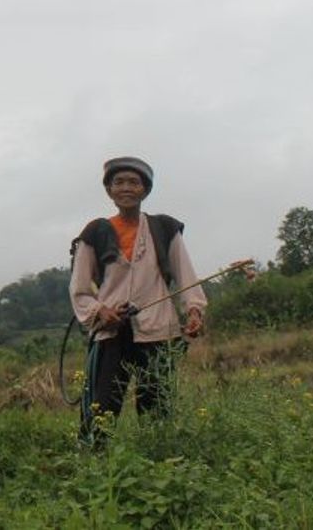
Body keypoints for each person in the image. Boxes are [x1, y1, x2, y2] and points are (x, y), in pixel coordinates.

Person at [68, 156, 206, 445]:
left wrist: (194, 310)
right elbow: (80, 289)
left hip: (158, 332)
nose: (126, 188)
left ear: (145, 190)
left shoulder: (164, 228)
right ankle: (93, 466)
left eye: (134, 182)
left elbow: (186, 276)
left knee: (157, 409)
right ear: (109, 190)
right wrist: (100, 311)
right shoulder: (94, 233)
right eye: (118, 182)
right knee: (101, 408)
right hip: (111, 333)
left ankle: (159, 464)